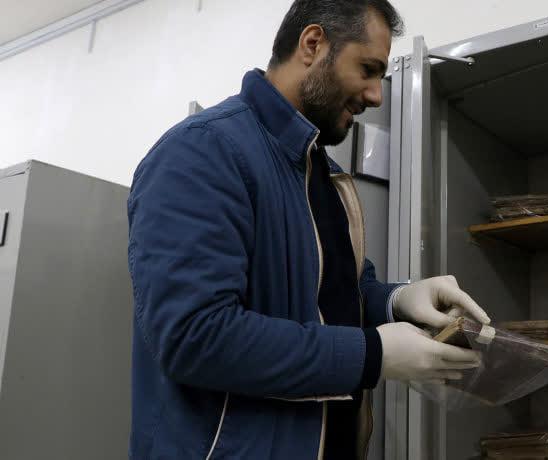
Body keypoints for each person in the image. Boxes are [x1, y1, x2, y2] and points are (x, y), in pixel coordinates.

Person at [126, 1, 490, 458]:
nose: (376, 96)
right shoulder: (201, 151)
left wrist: (398, 300)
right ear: (313, 44)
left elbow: (336, 297)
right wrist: (373, 354)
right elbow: (194, 336)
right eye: (368, 70)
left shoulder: (323, 173)